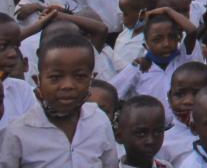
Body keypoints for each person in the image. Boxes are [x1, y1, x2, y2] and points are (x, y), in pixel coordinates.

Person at [0, 32, 121, 166]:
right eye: (55, 77)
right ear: (37, 81)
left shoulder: (99, 121)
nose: (67, 86)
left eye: (79, 76)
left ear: (91, 79)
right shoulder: (18, 132)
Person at [115, 95, 172, 168]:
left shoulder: (165, 166)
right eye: (141, 133)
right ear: (119, 136)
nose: (150, 141)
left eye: (157, 132)